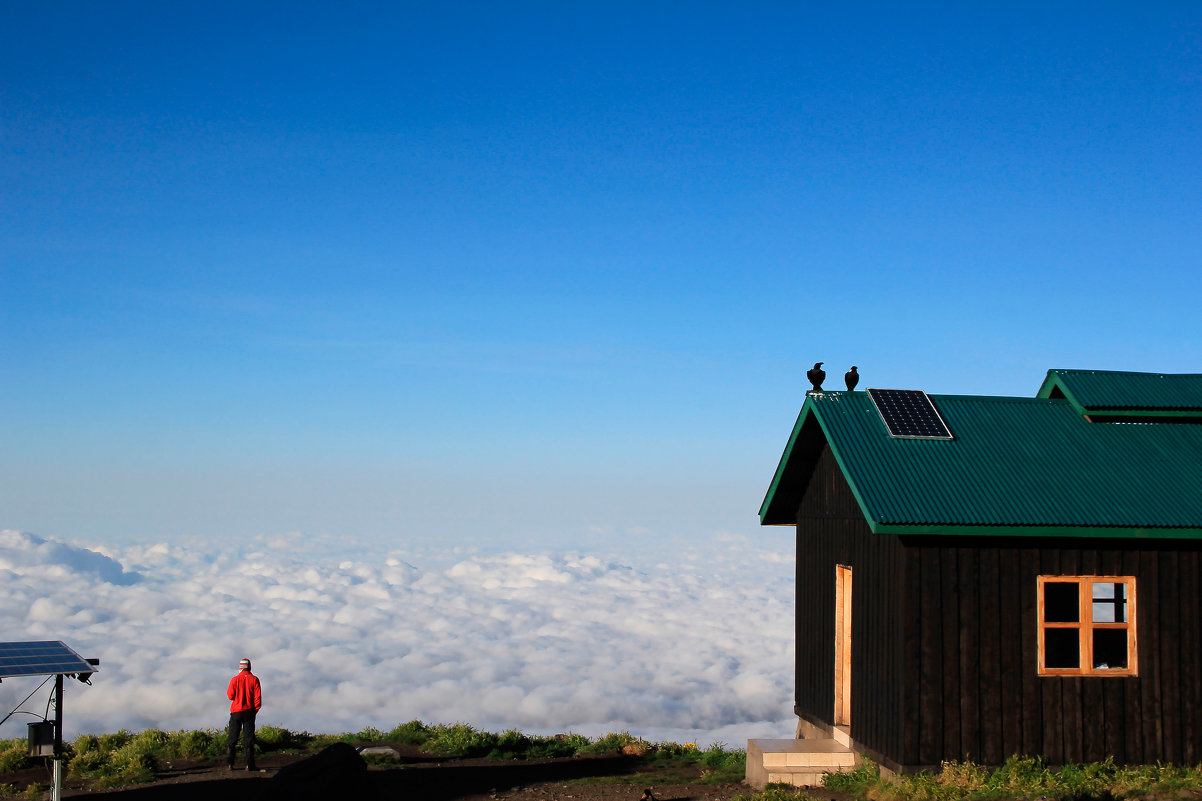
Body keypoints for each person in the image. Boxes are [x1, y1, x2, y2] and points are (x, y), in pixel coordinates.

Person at [226, 657, 262, 771]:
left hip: (236, 712)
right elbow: (258, 699)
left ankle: (230, 764)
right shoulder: (255, 679)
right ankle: (249, 765)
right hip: (249, 712)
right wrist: (255, 710)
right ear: (250, 667)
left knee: (232, 738)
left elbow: (230, 696)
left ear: (240, 668)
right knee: (249, 739)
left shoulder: (234, 679)